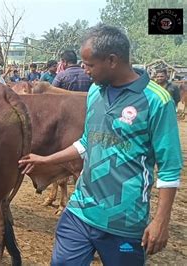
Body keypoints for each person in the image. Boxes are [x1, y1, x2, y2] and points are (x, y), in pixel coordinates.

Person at [19, 24, 182, 265]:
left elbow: (169, 168)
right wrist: (45, 160)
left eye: (90, 65)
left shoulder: (156, 100)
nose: (84, 71)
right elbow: (87, 142)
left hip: (124, 221)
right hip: (80, 211)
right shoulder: (95, 92)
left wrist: (161, 221)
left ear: (112, 61)